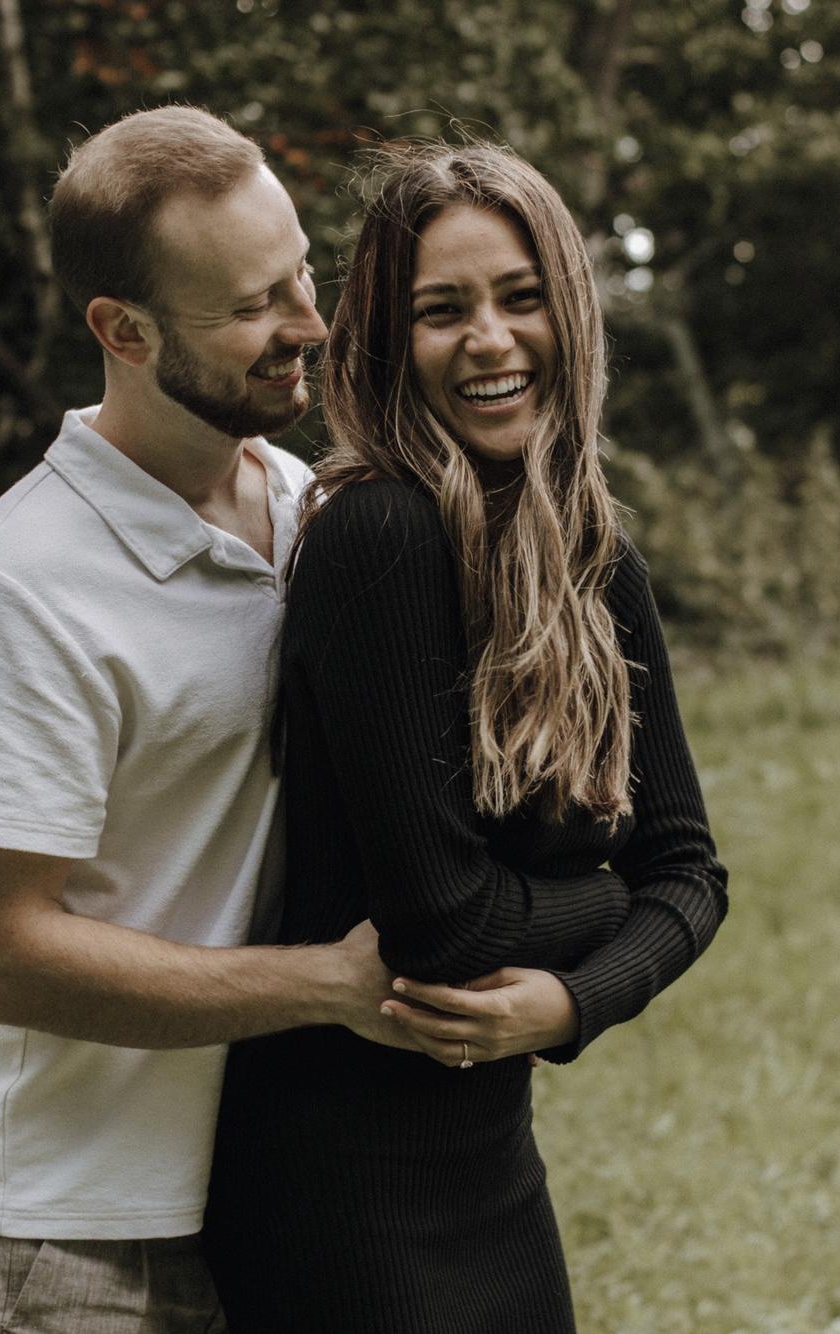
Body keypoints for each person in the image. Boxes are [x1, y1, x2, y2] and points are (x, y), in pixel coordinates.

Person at [0, 106, 420, 1334]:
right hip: (55, 1224)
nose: (309, 323)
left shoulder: (307, 504)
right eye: (251, 305)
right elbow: (5, 955)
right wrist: (326, 984)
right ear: (122, 332)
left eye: (300, 273)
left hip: (255, 1190)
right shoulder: (15, 589)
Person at [203, 143, 729, 1333]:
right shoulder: (378, 536)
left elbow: (692, 869)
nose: (489, 340)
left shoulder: (589, 550)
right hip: (341, 1181)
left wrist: (571, 1004)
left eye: (518, 296)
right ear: (393, 345)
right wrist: (611, 897)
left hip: (488, 1162)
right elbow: (441, 924)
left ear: (568, 312)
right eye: (442, 311)